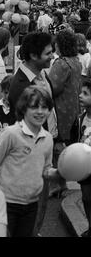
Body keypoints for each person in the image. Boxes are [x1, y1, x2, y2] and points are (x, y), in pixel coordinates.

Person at [0, 86, 59, 237]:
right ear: (24, 109)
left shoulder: (48, 138)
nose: (40, 112)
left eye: (44, 107)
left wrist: (60, 172)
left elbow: (45, 169)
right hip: (5, 203)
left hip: (31, 205)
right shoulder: (10, 134)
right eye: (34, 107)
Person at [48, 30, 82, 150]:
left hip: (61, 111)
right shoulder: (76, 62)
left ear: (60, 45)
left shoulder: (61, 64)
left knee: (60, 148)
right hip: (73, 109)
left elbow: (51, 88)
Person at [70, 79, 91, 237]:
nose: (80, 96)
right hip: (85, 169)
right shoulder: (81, 117)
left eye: (85, 93)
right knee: (86, 198)